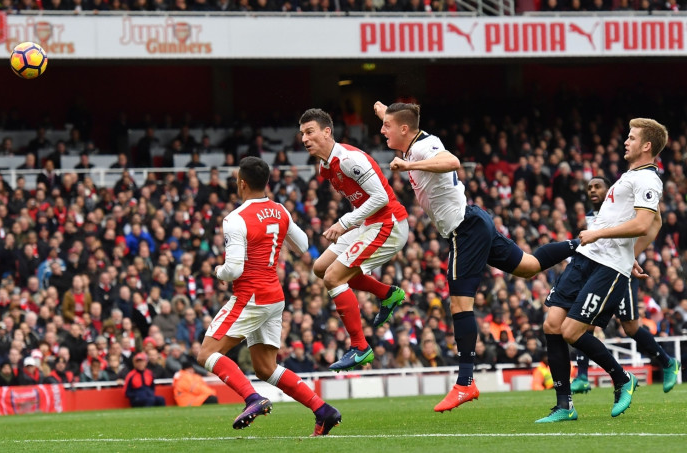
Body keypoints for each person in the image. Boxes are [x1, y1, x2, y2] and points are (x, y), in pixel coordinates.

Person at [374, 101, 580, 412]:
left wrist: (409, 166)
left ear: (404, 129)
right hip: (474, 221)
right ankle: (583, 244)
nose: (381, 130)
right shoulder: (414, 137)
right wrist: (384, 110)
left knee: (459, 304)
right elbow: (401, 122)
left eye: (387, 126)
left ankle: (465, 382)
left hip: (464, 229)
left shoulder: (423, 149)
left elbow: (452, 161)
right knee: (529, 266)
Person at [195, 156, 341, 436]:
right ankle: (322, 410)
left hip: (250, 296)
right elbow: (303, 245)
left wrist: (218, 271)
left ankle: (252, 398)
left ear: (242, 183)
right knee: (265, 367)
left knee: (207, 353)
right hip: (274, 296)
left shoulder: (235, 219)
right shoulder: (280, 211)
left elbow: (234, 269)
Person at [536, 118, 667, 423]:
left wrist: (598, 235)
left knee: (571, 331)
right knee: (552, 324)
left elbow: (645, 224)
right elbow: (655, 224)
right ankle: (564, 405)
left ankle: (622, 378)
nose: (626, 141)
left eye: (632, 138)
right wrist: (633, 253)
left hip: (608, 267)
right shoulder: (629, 176)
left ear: (646, 146)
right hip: (586, 257)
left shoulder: (649, 180)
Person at [299, 108, 408, 372]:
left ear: (327, 132)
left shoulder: (348, 159)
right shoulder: (326, 167)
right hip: (368, 224)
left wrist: (344, 223)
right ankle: (388, 294)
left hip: (388, 224)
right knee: (320, 268)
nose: (304, 138)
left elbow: (381, 197)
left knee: (333, 278)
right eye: (302, 133)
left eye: (310, 132)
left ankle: (360, 347)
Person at [570, 176, 681, 394]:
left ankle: (667, 362)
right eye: (589, 187)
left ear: (609, 190)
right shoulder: (592, 217)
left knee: (630, 327)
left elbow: (642, 229)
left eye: (597, 186)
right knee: (583, 320)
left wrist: (631, 258)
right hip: (600, 273)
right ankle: (582, 375)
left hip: (621, 272)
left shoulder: (620, 210)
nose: (593, 190)